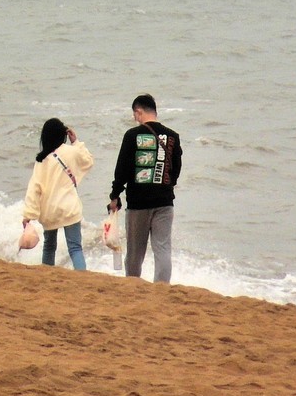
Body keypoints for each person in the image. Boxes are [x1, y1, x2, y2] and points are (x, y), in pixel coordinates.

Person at [108, 94, 182, 283]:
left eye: (135, 114)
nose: (135, 118)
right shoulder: (173, 136)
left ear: (138, 111)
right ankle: (162, 288)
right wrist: (167, 186)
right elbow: (176, 168)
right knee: (163, 248)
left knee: (135, 251)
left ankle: (133, 284)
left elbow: (122, 169)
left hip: (138, 203)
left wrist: (115, 195)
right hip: (165, 202)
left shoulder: (132, 135)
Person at [22, 118, 94, 270]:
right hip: (69, 208)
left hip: (49, 210)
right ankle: (83, 278)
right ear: (63, 135)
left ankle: (46, 275)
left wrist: (29, 214)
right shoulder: (71, 151)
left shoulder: (41, 160)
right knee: (75, 247)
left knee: (49, 247)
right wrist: (76, 142)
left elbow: (34, 188)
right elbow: (88, 161)